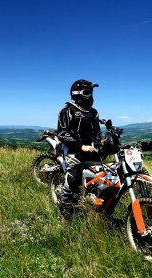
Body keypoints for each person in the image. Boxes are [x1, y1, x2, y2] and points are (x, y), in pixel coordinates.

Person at [56, 79, 103, 219]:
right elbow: (62, 133)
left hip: (91, 150)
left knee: (100, 176)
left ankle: (95, 207)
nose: (90, 95)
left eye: (91, 92)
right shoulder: (67, 111)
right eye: (87, 92)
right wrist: (80, 146)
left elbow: (97, 132)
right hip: (73, 151)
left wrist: (100, 142)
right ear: (77, 93)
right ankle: (64, 214)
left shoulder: (93, 112)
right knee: (72, 180)